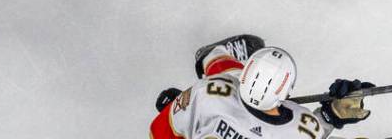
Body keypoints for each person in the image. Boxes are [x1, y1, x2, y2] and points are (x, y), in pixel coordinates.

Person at [150, 34, 373, 139]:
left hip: (215, 94)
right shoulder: (304, 127)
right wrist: (330, 115)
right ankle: (213, 58)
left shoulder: (209, 93)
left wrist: (184, 106)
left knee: (227, 84)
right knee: (227, 84)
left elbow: (159, 132)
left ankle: (213, 56)